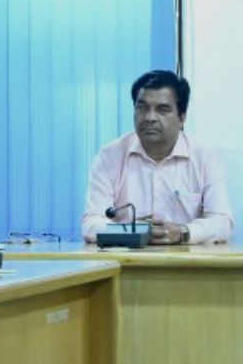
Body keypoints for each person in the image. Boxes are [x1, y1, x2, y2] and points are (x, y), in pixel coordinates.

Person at [81, 70, 234, 245]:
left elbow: (223, 222)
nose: (150, 117)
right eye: (142, 107)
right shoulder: (109, 156)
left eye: (163, 109)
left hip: (187, 257)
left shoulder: (205, 157)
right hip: (126, 257)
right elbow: (91, 223)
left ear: (182, 117)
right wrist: (131, 231)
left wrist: (183, 232)